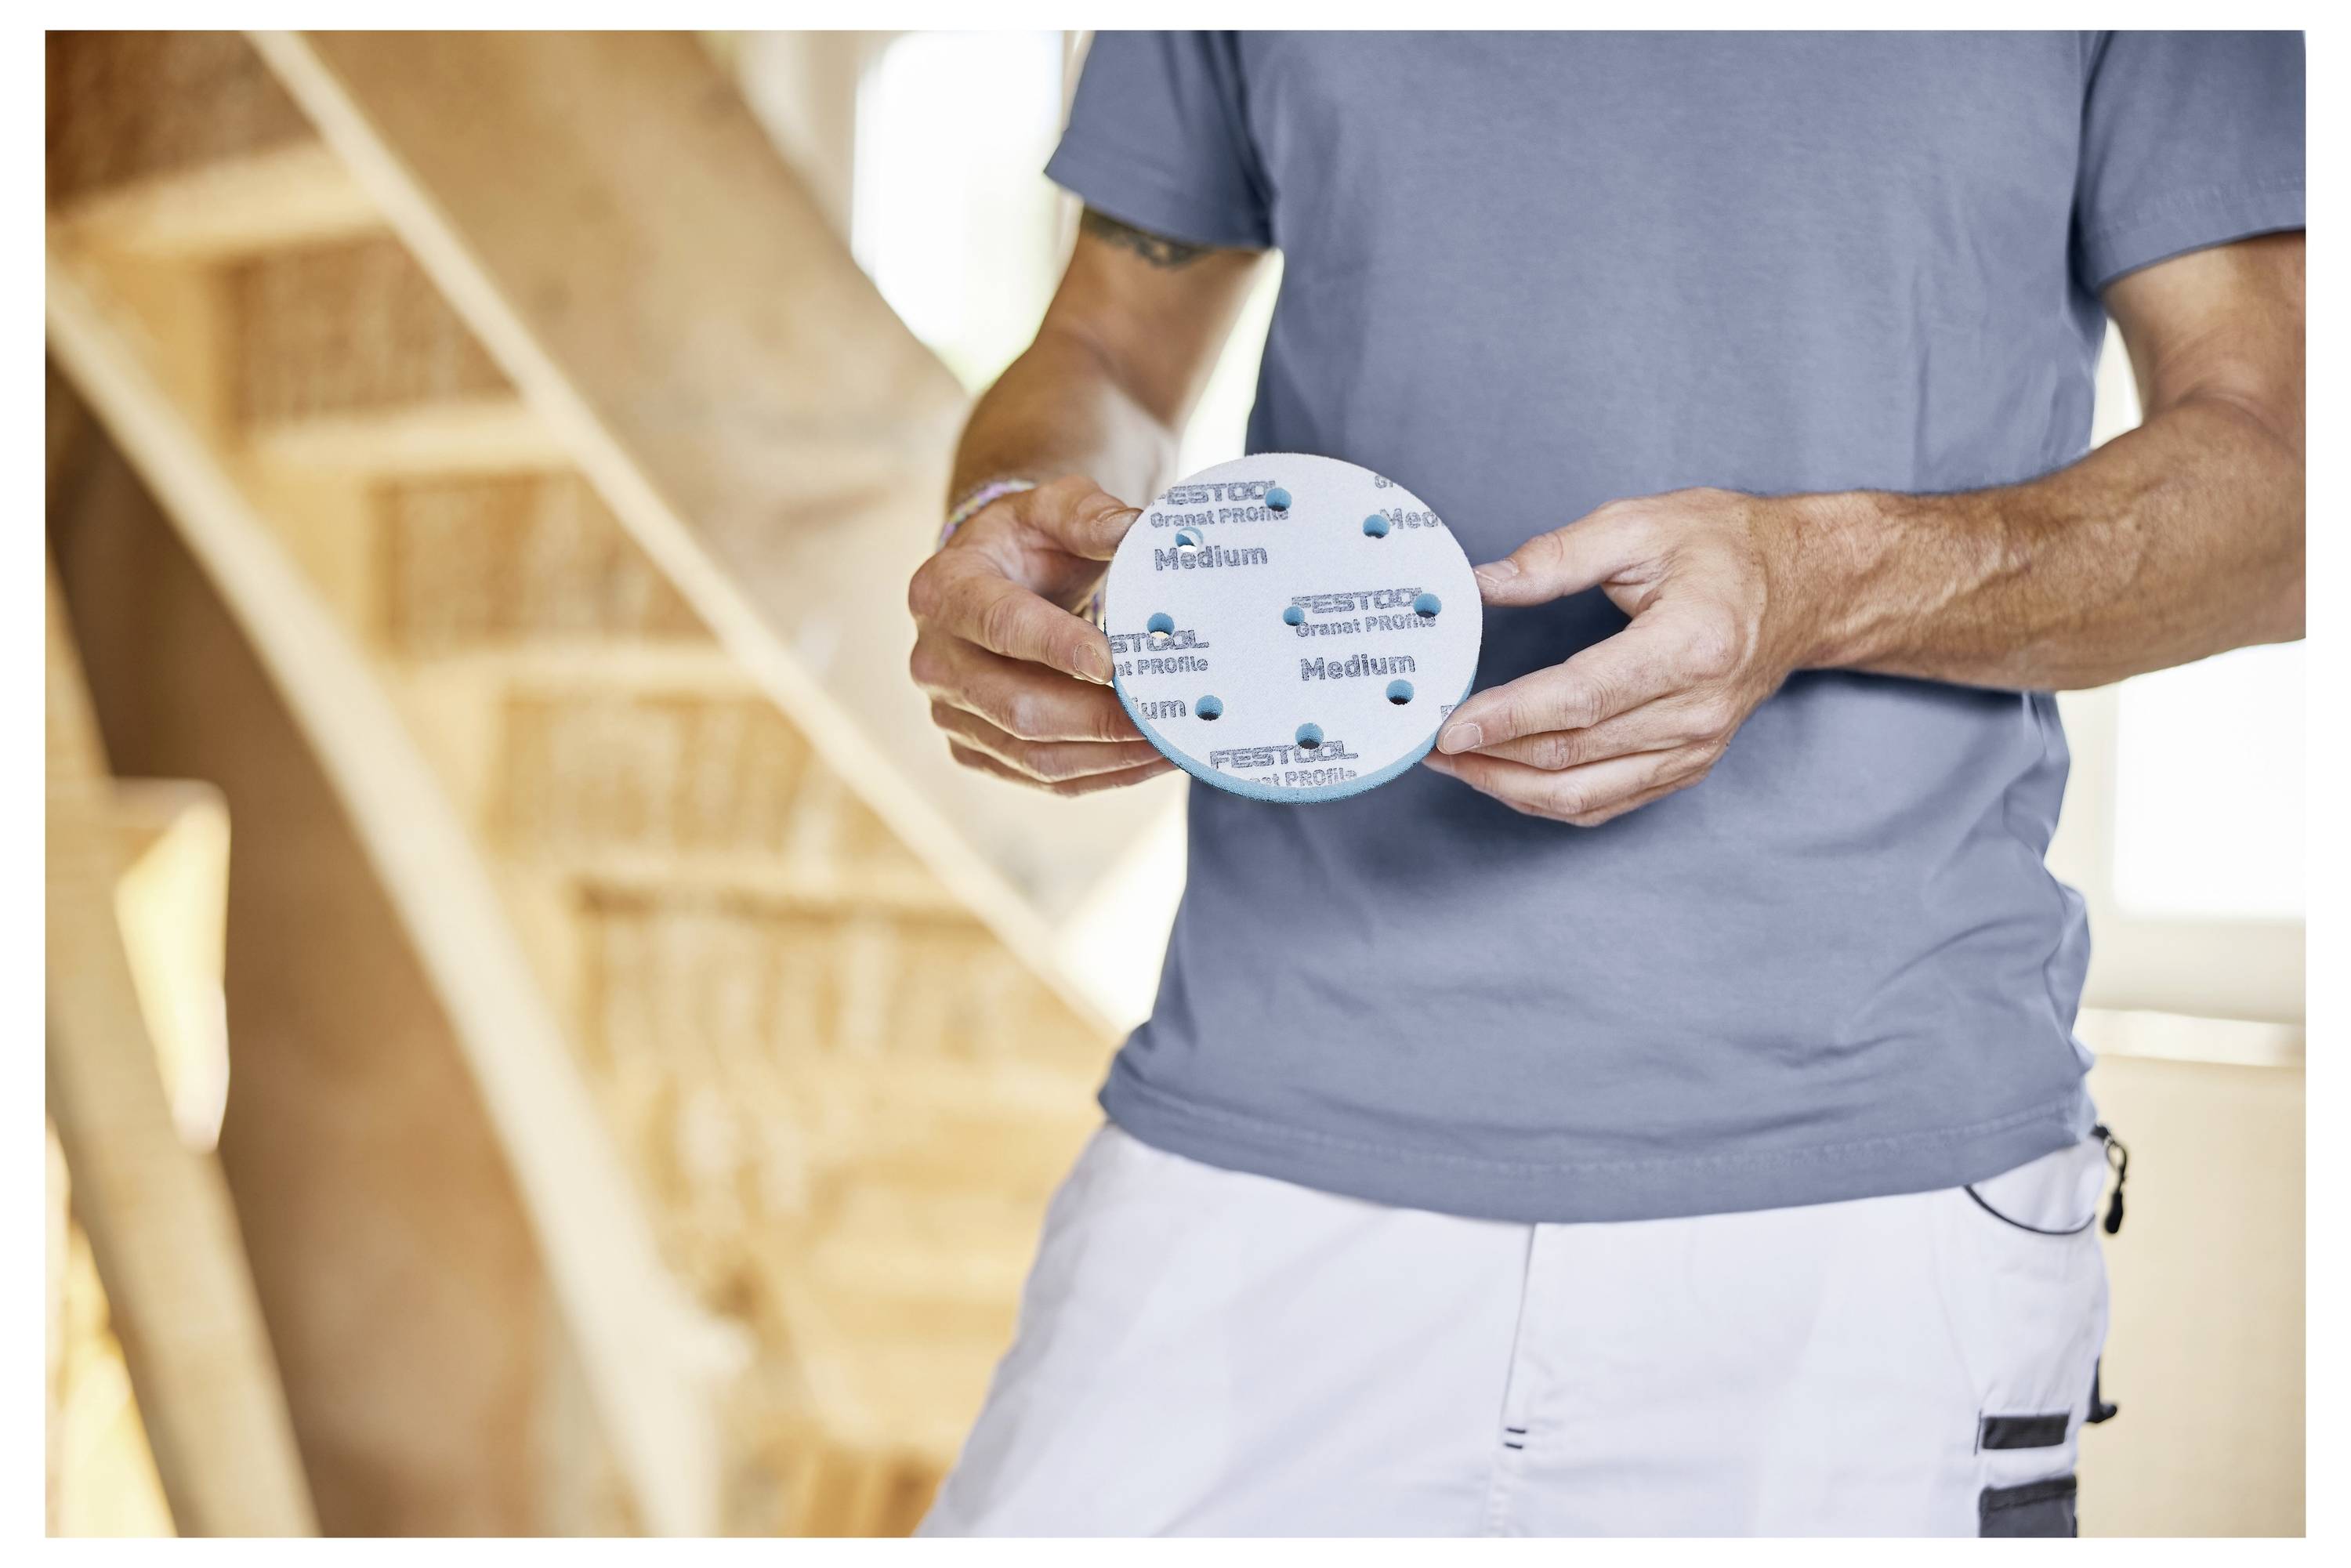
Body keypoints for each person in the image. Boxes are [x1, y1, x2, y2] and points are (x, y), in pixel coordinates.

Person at [904, 31, 2304, 1537]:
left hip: (1856, 1199)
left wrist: (1817, 584)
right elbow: (1105, 347)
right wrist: (1020, 526)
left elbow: (2285, 483)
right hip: (1251, 1133)